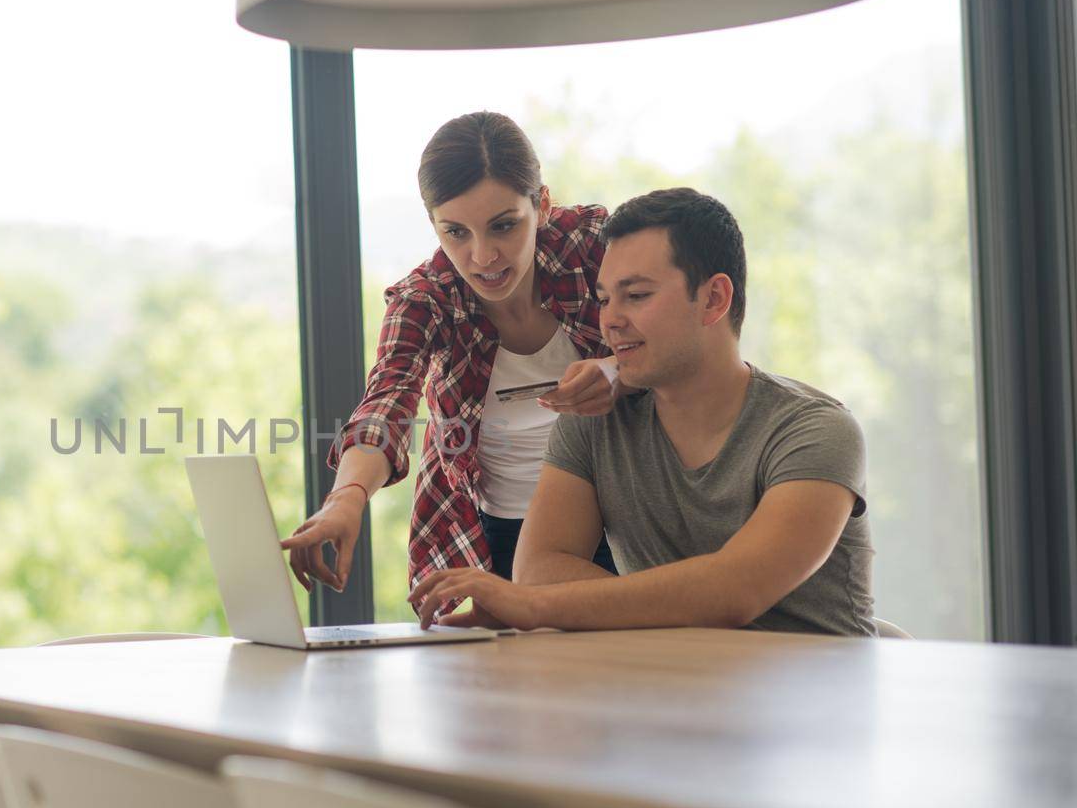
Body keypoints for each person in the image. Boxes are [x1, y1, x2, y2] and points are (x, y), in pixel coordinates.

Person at [409, 187, 876, 637]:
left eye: (636, 296)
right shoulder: (592, 424)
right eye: (605, 298)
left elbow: (737, 589)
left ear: (714, 299)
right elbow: (540, 569)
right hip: (670, 695)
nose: (609, 320)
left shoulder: (815, 430)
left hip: (816, 705)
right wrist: (671, 603)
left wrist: (536, 607)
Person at [282, 111, 620, 603]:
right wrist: (346, 498)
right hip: (488, 538)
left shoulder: (591, 246)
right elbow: (387, 403)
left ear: (541, 205)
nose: (483, 256)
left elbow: (673, 344)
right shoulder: (426, 298)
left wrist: (618, 372)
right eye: (456, 232)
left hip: (620, 522)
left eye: (504, 226)